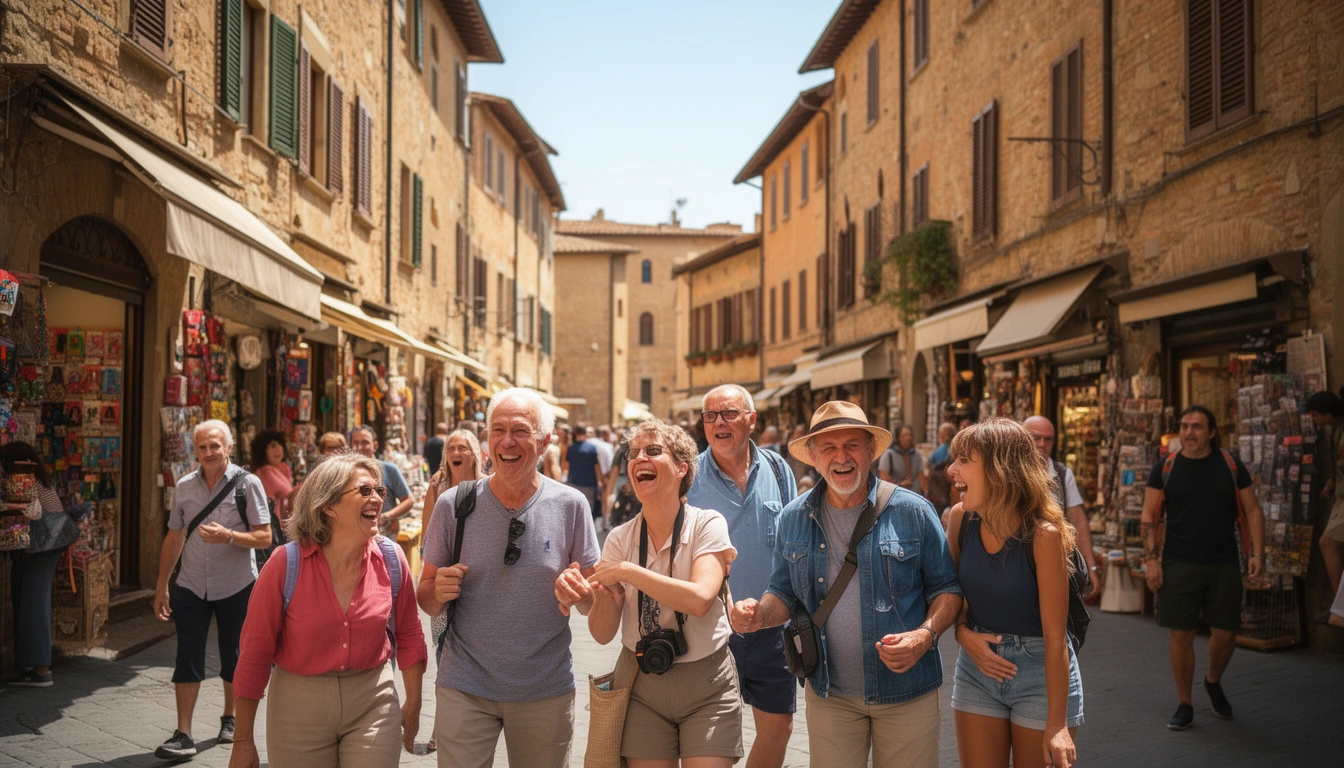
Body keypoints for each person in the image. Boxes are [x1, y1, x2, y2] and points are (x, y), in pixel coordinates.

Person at [729, 401, 962, 768]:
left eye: (852, 445)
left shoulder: (914, 511)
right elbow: (784, 592)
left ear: (871, 450)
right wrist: (760, 614)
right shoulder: (794, 517)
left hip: (907, 693)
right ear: (813, 456)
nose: (842, 457)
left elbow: (947, 589)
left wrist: (925, 636)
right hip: (830, 693)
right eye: (829, 448)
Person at [417, 388, 601, 768]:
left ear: (545, 442)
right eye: (497, 430)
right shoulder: (453, 504)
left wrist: (581, 596)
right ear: (486, 441)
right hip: (464, 684)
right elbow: (425, 596)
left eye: (520, 430)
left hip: (544, 688)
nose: (507, 441)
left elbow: (596, 600)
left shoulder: (571, 506)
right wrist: (437, 591)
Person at [558, 419, 743, 766]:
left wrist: (630, 572)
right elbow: (601, 634)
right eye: (634, 453)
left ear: (680, 468)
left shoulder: (707, 524)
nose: (639, 457)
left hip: (707, 685)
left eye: (653, 451)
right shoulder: (619, 538)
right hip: (642, 685)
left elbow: (702, 599)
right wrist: (601, 598)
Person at [228, 453, 427, 767]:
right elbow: (254, 653)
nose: (377, 498)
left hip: (373, 700)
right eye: (364, 491)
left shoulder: (392, 559)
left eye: (380, 491)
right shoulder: (284, 564)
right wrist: (242, 740)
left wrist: (413, 702)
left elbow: (410, 633)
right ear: (328, 506)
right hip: (297, 707)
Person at [946, 418, 1084, 768]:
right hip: (977, 669)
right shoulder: (960, 519)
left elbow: (1056, 638)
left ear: (999, 469)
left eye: (964, 459)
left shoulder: (1044, 535)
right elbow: (955, 596)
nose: (951, 470)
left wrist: (1058, 724)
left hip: (1041, 672)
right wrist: (963, 635)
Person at [686, 384, 797, 768]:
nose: (718, 422)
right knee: (714, 743)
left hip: (772, 625)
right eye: (710, 416)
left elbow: (792, 542)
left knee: (779, 728)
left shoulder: (780, 470)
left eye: (729, 413)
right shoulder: (689, 476)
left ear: (751, 420)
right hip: (709, 633)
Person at [152, 420, 271, 759]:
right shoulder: (185, 486)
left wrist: (230, 537)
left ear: (228, 447)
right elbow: (174, 535)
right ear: (195, 449)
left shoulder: (247, 484)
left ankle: (230, 718)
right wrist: (162, 585)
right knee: (187, 654)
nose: (208, 453)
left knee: (234, 655)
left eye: (214, 446)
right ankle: (183, 733)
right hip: (190, 582)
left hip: (237, 584)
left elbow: (265, 537)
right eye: (202, 447)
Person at [1141, 405, 1265, 730]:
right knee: (1181, 634)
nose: (1189, 433)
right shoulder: (1165, 468)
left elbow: (1252, 510)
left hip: (1224, 560)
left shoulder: (1230, 465)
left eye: (1197, 426)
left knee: (1226, 632)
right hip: (1179, 562)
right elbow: (1148, 517)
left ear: (1211, 432)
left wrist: (1257, 554)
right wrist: (1151, 560)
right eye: (1184, 426)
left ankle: (1213, 680)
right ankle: (1185, 702)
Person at [2, 443, 71, 687]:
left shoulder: (28, 480)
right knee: (27, 600)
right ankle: (30, 666)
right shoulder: (41, 479)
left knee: (33, 604)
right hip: (46, 546)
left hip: (41, 548)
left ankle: (42, 670)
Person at [1022, 416, 1102, 598]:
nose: (1042, 444)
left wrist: (1090, 566)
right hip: (1017, 565)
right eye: (1036, 438)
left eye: (1048, 439)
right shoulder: (1009, 471)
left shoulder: (1062, 473)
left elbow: (1079, 520)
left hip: (1054, 564)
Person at [1305, 388, 1344, 593]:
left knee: (1327, 543)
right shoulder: (1334, 430)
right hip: (1340, 495)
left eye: (1316, 415)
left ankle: (1341, 605)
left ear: (1328, 413)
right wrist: (1332, 483)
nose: (1314, 419)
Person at [422, 429, 486, 549]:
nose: (455, 453)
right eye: (450, 449)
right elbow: (426, 532)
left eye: (462, 448)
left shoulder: (487, 486)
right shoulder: (437, 486)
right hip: (445, 563)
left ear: (474, 454)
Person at [351, 425, 413, 535]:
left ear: (375, 445)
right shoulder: (347, 473)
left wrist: (386, 517)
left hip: (385, 536)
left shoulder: (389, 469)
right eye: (355, 443)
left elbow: (409, 500)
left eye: (365, 442)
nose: (359, 447)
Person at [250, 429, 297, 522]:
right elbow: (289, 494)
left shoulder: (281, 468)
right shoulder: (266, 471)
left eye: (280, 444)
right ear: (262, 451)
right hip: (274, 525)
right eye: (272, 446)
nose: (278, 449)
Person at [566, 421, 603, 527]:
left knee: (572, 510)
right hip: (589, 483)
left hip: (572, 482)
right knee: (587, 510)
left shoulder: (570, 447)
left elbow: (567, 466)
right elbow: (597, 466)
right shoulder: (591, 448)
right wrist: (599, 481)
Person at [878, 425, 925, 496]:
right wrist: (901, 484)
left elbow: (921, 476)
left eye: (910, 435)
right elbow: (883, 481)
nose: (908, 438)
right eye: (905, 435)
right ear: (898, 438)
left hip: (915, 495)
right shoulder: (889, 455)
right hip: (896, 495)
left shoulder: (916, 454)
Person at [925, 422, 957, 515]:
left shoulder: (940, 449)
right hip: (952, 485)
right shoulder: (956, 448)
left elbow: (928, 464)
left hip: (939, 486)